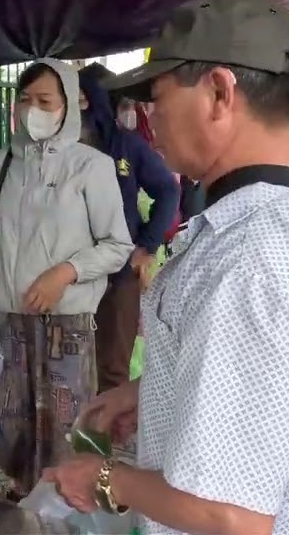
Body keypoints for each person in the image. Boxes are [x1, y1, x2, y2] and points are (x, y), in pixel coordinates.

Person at [46, 0, 289, 535]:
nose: (149, 116)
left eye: (157, 95)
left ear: (220, 92)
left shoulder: (249, 256)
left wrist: (106, 478)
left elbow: (230, 515)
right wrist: (156, 391)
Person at [0, 58, 133, 498]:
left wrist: (65, 273)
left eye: (45, 101)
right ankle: (20, 493)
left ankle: (64, 506)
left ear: (69, 105)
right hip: (5, 317)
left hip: (64, 325)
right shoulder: (3, 162)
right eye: (24, 99)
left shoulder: (91, 166)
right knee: (8, 416)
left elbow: (117, 245)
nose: (33, 110)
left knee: (64, 425)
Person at [77, 64, 180, 391]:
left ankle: (97, 439)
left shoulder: (127, 146)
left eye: (84, 99)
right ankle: (69, 437)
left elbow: (168, 189)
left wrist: (146, 246)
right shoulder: (62, 149)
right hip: (70, 273)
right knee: (68, 365)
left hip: (119, 275)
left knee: (112, 366)